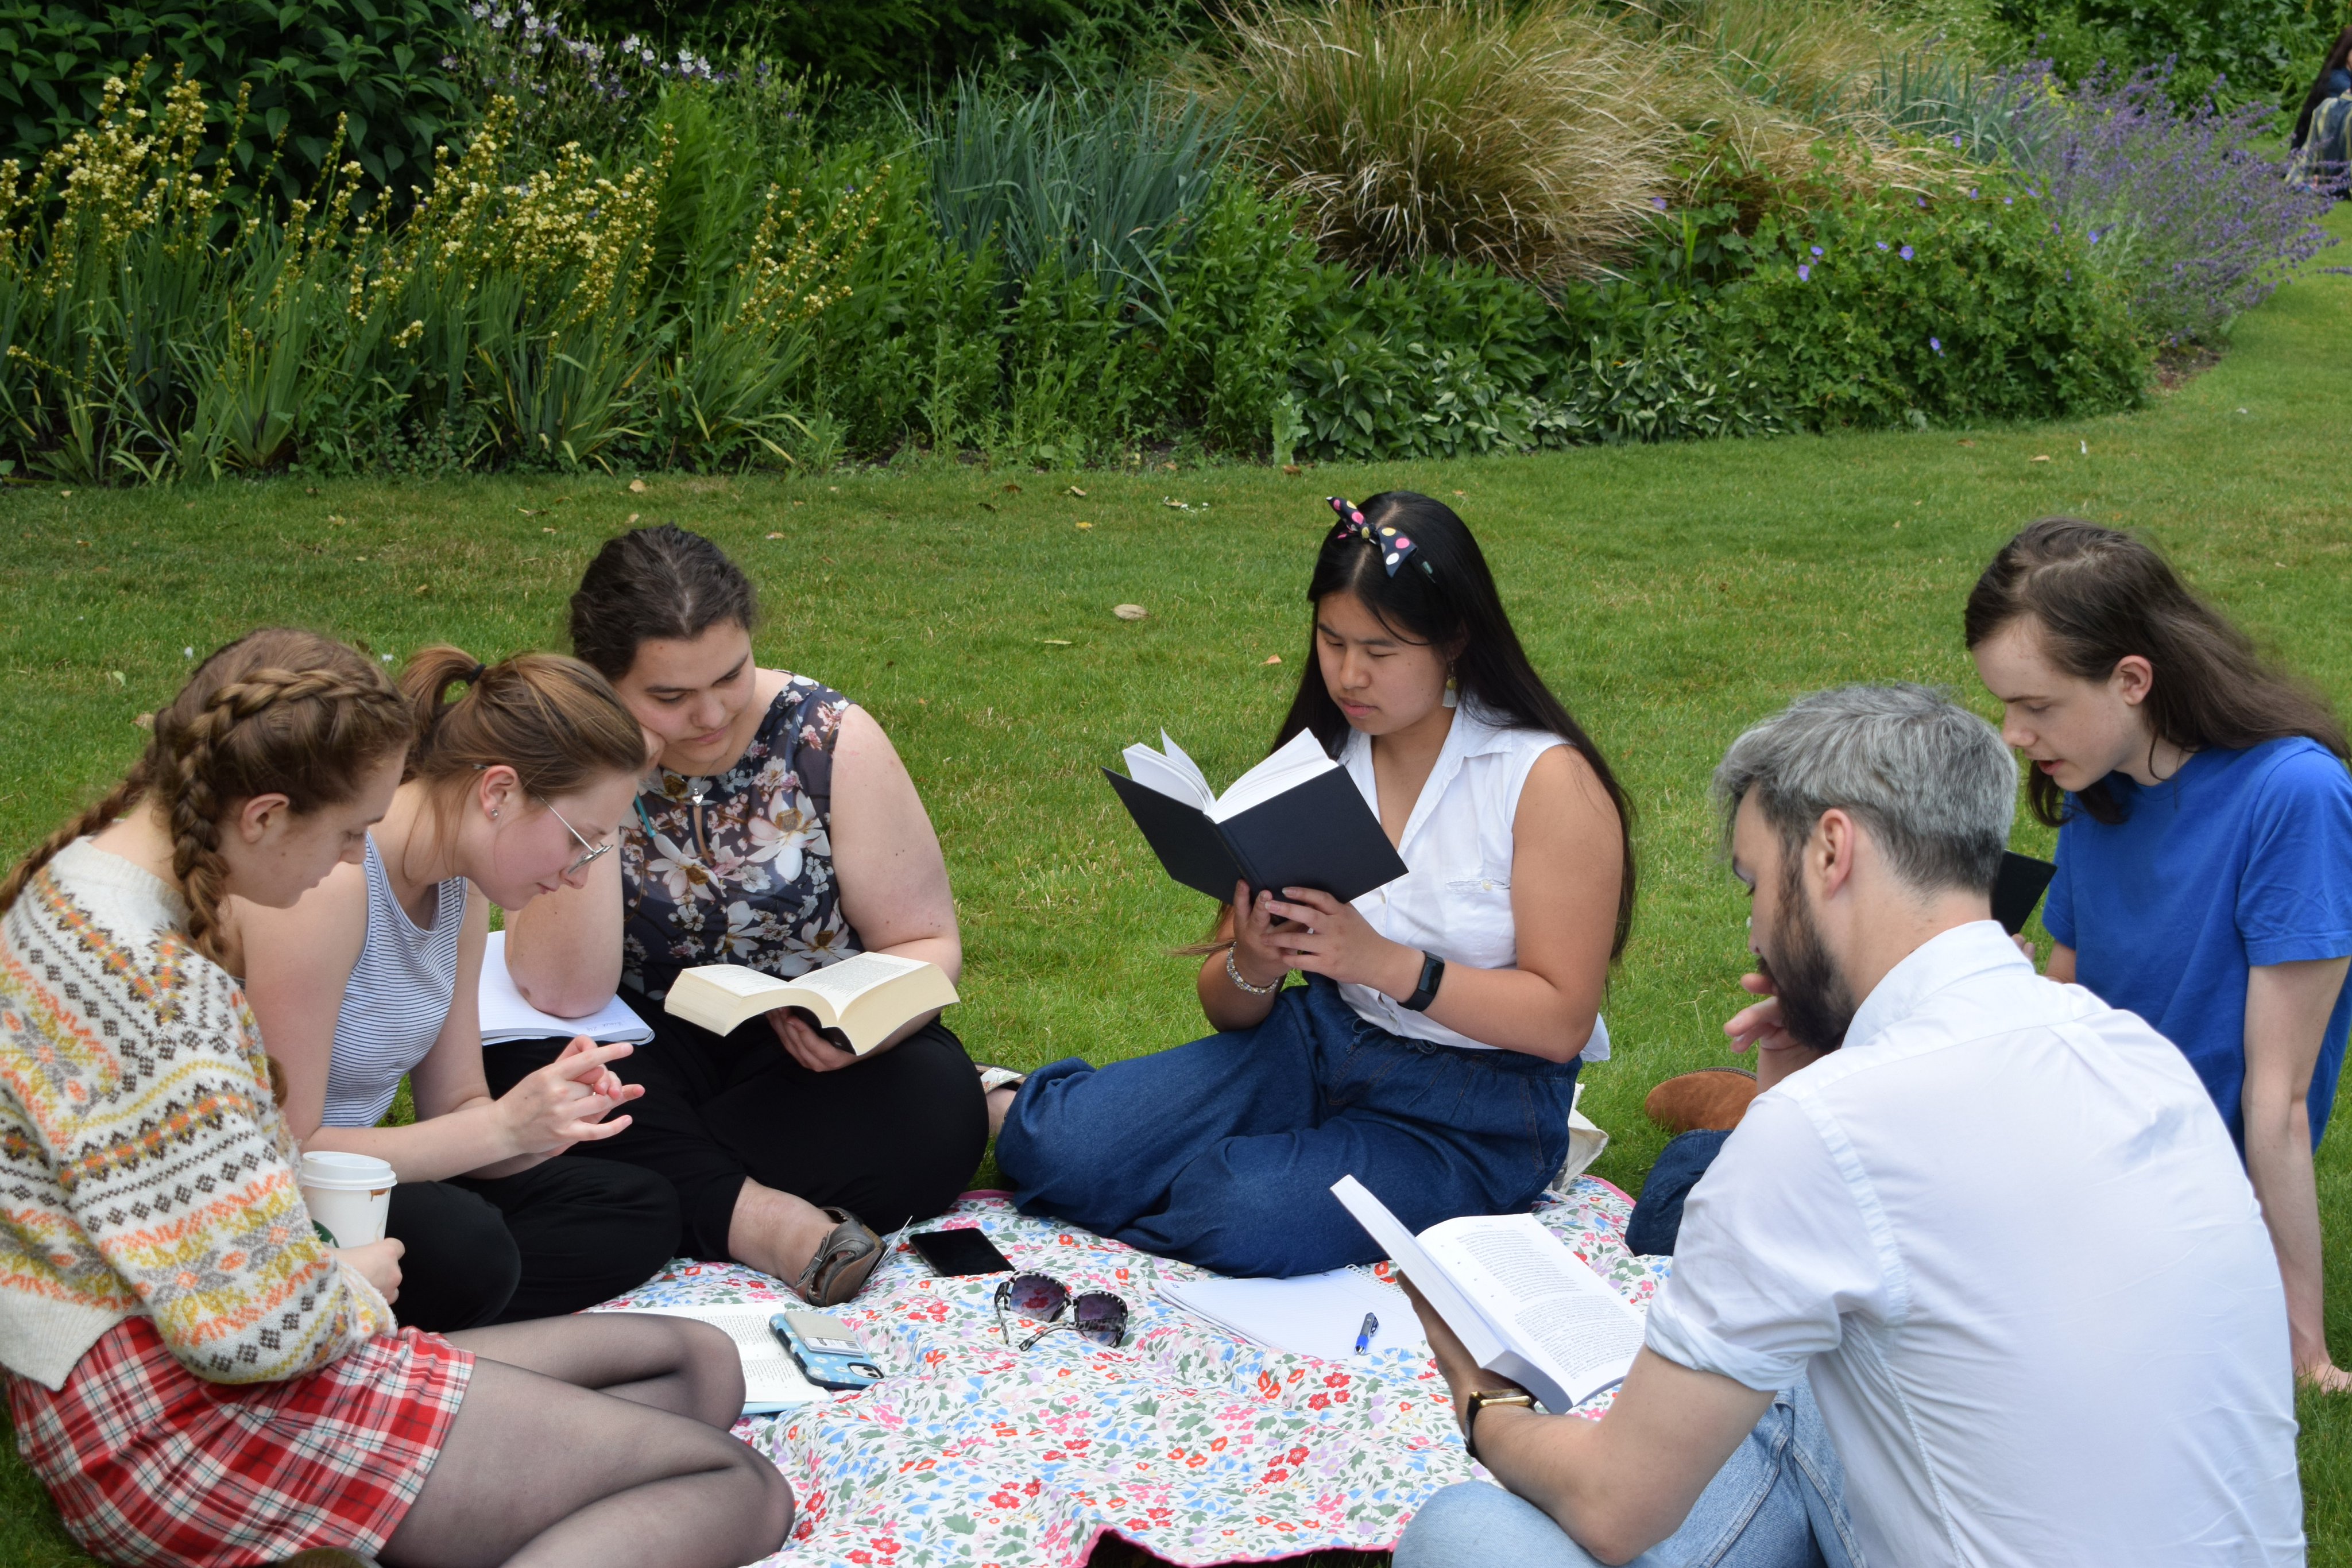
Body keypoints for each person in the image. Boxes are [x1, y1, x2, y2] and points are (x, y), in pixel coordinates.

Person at [1396, 684, 2301, 1568]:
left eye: (1755, 882)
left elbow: (1613, 1509)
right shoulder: (2135, 1051)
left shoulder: (1826, 1130)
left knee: (1461, 1532)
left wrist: (1488, 1410)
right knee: (1793, 1369)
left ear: (1832, 850)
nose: (1754, 929)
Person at [0, 629, 793, 1568]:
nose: (345, 864)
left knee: (694, 1364)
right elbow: (250, 1331)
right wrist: (355, 1290)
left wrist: (518, 1132)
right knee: (735, 1487)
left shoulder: (81, 889)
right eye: (343, 836)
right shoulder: (167, 994)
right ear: (263, 814)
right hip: (173, 1429)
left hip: (187, 1374)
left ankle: (484, 1505)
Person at [996, 493, 1632, 1278]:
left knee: (1241, 1211)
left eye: (1382, 648)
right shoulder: (1318, 763)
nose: (1348, 673)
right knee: (1055, 1147)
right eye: (1331, 639)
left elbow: (1563, 1020)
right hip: (1319, 1043)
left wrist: (1385, 962)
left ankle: (1218, 1171)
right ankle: (1068, 1124)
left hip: (1477, 1108)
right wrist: (1255, 964)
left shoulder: (1542, 779)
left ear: (1455, 640)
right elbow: (1228, 1003)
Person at [501, 524, 985, 1307]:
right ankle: (760, 1218)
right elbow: (561, 989)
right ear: (602, 680)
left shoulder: (827, 737)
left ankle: (663, 1190)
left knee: (938, 1110)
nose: (710, 714)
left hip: (804, 1054)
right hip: (641, 1049)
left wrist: (861, 1028)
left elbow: (927, 941)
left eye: (730, 675)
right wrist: (610, 776)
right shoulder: (565, 761)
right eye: (668, 696)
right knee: (525, 1072)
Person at [1966, 517, 2352, 1391]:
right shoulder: (2100, 785)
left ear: (2132, 679)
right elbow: (2067, 1002)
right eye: (2005, 704)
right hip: (2079, 1159)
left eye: (2035, 705)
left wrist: (2303, 1348)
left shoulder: (2294, 796)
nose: (2013, 735)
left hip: (2179, 1200)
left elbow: (2279, 1096)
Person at [229, 646, 680, 1333]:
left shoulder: (459, 891)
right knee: (467, 1246)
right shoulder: (332, 883)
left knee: (636, 1204)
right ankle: (368, 1319)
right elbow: (286, 1151)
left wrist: (542, 1124)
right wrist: (499, 1128)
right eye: (580, 841)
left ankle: (408, 1315)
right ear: (499, 793)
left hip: (347, 1176)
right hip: (261, 1193)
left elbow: (459, 1106)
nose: (580, 876)